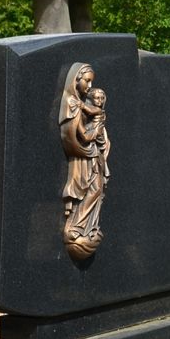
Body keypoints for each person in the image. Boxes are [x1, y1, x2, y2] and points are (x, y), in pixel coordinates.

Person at [59, 63, 110, 260]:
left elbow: (88, 134)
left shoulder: (91, 110)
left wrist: (97, 138)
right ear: (76, 79)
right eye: (87, 80)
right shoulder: (72, 104)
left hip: (94, 156)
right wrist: (90, 136)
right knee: (93, 190)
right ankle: (78, 226)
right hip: (86, 156)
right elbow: (80, 135)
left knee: (97, 191)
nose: (89, 85)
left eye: (91, 82)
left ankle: (86, 226)